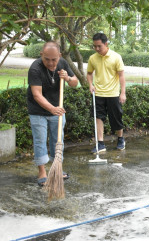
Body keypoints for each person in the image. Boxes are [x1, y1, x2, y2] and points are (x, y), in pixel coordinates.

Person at [27, 41, 78, 186]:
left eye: (54, 59)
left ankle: (57, 168)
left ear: (59, 56)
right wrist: (52, 109)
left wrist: (67, 78)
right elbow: (37, 95)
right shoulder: (35, 68)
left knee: (58, 140)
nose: (50, 63)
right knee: (40, 140)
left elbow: (75, 83)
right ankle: (42, 172)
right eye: (47, 59)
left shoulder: (62, 63)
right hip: (38, 110)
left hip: (57, 109)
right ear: (41, 55)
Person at [86, 33, 126, 153]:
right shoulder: (93, 58)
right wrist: (90, 85)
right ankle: (100, 143)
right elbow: (89, 73)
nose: (97, 49)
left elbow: (122, 75)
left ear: (106, 44)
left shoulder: (116, 57)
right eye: (95, 46)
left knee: (116, 118)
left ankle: (120, 139)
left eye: (99, 46)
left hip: (113, 94)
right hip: (98, 94)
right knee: (98, 118)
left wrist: (122, 92)